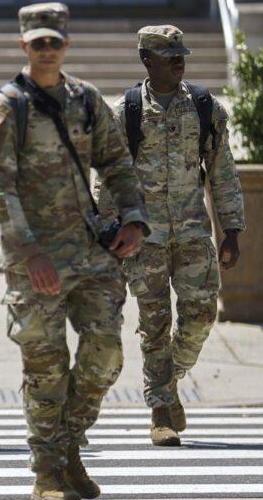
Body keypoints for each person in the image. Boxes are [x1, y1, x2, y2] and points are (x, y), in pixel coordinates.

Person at [0, 3, 147, 500]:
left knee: (106, 353)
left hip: (88, 250)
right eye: (38, 42)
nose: (47, 49)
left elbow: (116, 163)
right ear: (24, 46)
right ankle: (47, 470)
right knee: (46, 366)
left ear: (66, 45)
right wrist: (29, 254)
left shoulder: (87, 100)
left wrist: (134, 217)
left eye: (55, 41)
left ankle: (70, 443)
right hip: (34, 258)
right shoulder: (7, 108)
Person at [104, 25, 244, 446]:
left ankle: (170, 375)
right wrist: (108, 231)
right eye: (169, 56)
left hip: (192, 231)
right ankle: (161, 407)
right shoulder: (124, 111)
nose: (178, 61)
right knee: (154, 323)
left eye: (181, 54)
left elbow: (222, 171)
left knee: (201, 317)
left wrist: (232, 228)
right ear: (146, 60)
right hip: (142, 236)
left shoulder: (204, 108)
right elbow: (109, 176)